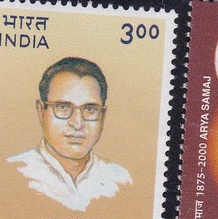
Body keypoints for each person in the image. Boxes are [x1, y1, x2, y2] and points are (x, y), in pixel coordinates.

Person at [8, 56, 131, 210]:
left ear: (103, 115)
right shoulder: (12, 173)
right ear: (41, 111)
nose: (77, 123)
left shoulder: (121, 179)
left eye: (90, 109)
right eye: (63, 107)